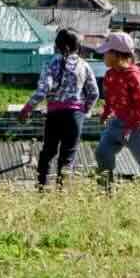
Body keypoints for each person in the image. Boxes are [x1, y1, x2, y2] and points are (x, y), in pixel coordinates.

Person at [19, 28, 99, 191]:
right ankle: (62, 190)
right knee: (68, 155)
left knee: (48, 152)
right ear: (78, 46)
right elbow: (94, 92)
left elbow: (43, 90)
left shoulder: (50, 64)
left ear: (57, 46)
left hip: (54, 115)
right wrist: (86, 110)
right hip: (75, 116)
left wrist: (27, 109)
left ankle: (41, 188)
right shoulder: (84, 66)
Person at [95, 32, 140, 191]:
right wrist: (106, 113)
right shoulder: (109, 75)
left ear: (117, 55)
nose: (103, 56)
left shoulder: (134, 76)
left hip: (135, 125)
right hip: (116, 122)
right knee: (102, 152)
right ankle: (105, 190)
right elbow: (110, 98)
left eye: (106, 53)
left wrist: (129, 127)